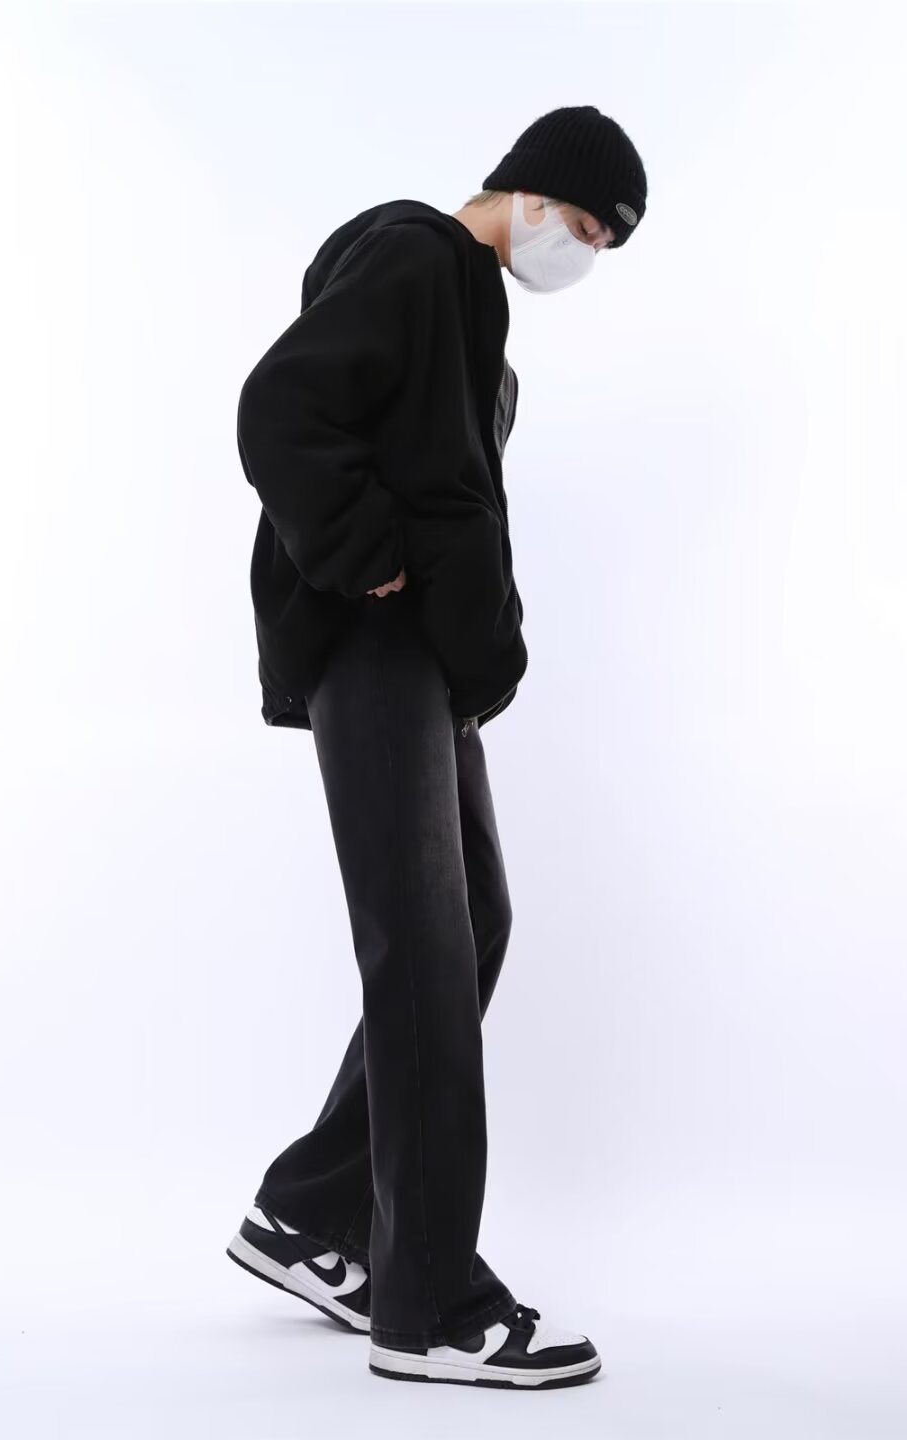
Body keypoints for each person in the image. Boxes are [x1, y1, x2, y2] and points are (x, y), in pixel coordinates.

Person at [229, 104, 647, 1390]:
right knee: (422, 946)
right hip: (371, 645)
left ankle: (307, 1214)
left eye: (602, 245)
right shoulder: (417, 256)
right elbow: (279, 410)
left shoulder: (476, 321)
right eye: (584, 226)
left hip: (426, 670)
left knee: (476, 924)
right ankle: (429, 1303)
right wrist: (368, 560)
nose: (582, 254)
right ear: (531, 189)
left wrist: (474, 656)